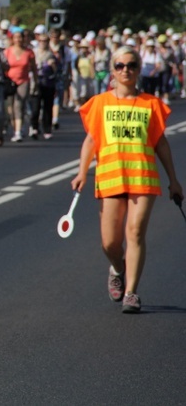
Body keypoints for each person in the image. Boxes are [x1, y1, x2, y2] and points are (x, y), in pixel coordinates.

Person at [71, 45, 183, 313]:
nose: (126, 70)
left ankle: (131, 292)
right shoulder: (99, 103)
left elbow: (161, 144)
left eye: (131, 65)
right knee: (109, 242)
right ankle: (117, 267)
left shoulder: (151, 104)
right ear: (112, 70)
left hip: (143, 177)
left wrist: (174, 180)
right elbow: (91, 140)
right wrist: (81, 171)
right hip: (110, 177)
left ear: (138, 68)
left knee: (135, 232)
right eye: (120, 65)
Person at [4, 29, 36, 142]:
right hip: (10, 82)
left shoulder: (28, 52)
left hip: (23, 81)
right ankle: (15, 126)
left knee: (19, 105)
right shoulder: (7, 51)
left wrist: (35, 82)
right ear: (12, 39)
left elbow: (34, 68)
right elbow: (3, 66)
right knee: (10, 108)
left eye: (20, 37)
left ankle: (17, 132)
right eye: (16, 37)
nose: (18, 40)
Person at [30, 33, 57, 140]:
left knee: (47, 107)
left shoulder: (51, 54)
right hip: (36, 83)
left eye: (45, 41)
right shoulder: (34, 53)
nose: (43, 43)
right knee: (35, 107)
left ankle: (47, 129)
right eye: (41, 41)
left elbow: (57, 70)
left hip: (48, 83)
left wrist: (52, 65)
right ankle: (34, 127)